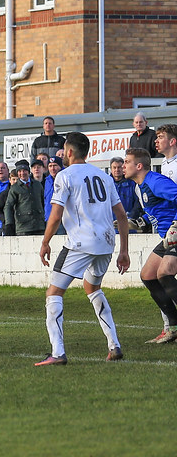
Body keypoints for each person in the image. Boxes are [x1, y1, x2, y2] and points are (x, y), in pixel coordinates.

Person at [35, 132, 128, 366]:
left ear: (69, 151)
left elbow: (56, 214)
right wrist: (124, 251)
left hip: (80, 242)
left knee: (54, 293)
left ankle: (58, 352)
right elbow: (121, 215)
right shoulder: (104, 176)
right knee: (92, 287)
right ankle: (114, 345)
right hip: (106, 242)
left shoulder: (65, 176)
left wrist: (45, 242)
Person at [124, 147, 177, 344]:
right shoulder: (140, 187)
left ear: (139, 166)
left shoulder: (155, 181)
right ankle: (173, 327)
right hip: (167, 238)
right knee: (148, 275)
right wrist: (140, 222)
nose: (123, 166)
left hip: (175, 233)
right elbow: (158, 209)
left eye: (127, 162)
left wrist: (176, 225)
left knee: (164, 272)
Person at [4, 160, 44, 236]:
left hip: (39, 226)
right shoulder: (14, 188)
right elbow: (8, 206)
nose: (22, 173)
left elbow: (42, 202)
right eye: (19, 171)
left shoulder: (37, 185)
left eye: (24, 170)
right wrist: (9, 224)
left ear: (28, 171)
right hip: (23, 227)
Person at [110, 157, 145, 232]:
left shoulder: (132, 183)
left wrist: (131, 217)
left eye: (119, 167)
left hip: (129, 226)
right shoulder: (105, 184)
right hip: (110, 226)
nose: (117, 170)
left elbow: (138, 203)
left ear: (123, 168)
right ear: (111, 169)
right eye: (114, 167)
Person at [0, 169, 19, 235]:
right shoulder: (4, 194)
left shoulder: (24, 192)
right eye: (13, 179)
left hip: (21, 226)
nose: (15, 181)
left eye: (17, 179)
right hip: (8, 226)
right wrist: (5, 219)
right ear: (9, 180)